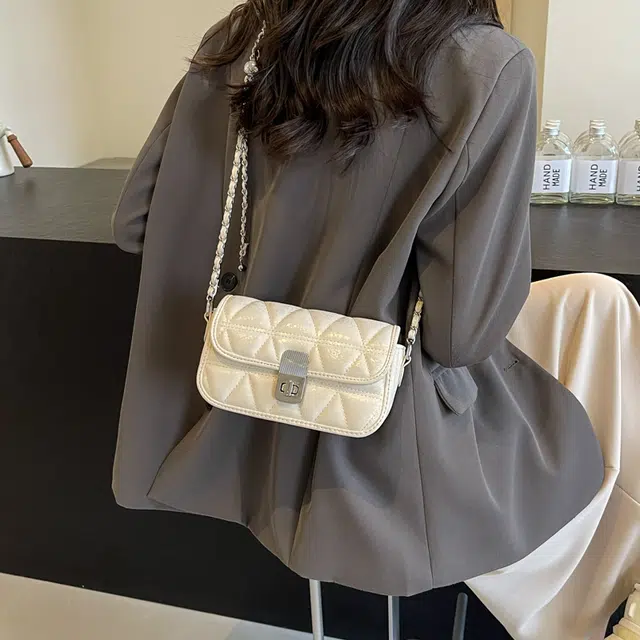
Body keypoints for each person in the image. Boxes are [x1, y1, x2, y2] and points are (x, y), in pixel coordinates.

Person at [110, 1, 639, 637]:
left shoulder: (244, 35)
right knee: (577, 450)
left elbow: (135, 222)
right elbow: (461, 333)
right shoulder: (485, 63)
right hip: (374, 454)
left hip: (235, 425)